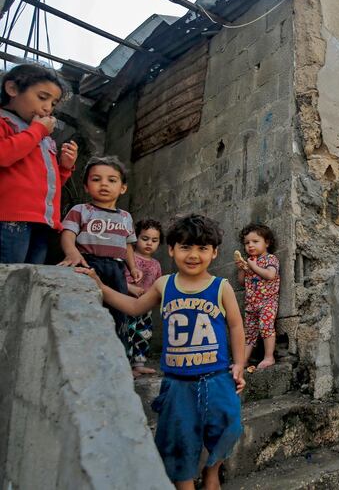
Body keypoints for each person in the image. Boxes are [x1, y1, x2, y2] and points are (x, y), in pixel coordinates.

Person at [78, 214, 246, 490]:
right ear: (171, 249)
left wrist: (239, 364)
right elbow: (133, 308)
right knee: (177, 441)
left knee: (228, 427)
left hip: (217, 379)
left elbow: (236, 326)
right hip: (178, 385)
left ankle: (212, 471)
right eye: (185, 247)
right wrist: (101, 287)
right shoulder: (164, 285)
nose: (193, 255)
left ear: (214, 252)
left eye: (202, 248)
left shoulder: (221, 287)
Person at [59, 156, 141, 350]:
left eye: (112, 180)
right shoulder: (80, 210)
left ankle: (117, 354)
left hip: (116, 268)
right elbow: (67, 234)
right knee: (85, 309)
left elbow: (128, 244)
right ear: (86, 187)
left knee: (118, 312)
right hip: (87, 265)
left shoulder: (126, 217)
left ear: (122, 188)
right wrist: (72, 253)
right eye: (96, 179)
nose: (104, 184)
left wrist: (133, 267)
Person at [0, 63, 78, 263]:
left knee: (29, 282)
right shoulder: (4, 122)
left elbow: (48, 185)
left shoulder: (44, 138)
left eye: (53, 104)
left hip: (41, 222)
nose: (47, 108)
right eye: (42, 98)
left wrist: (65, 168)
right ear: (12, 89)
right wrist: (37, 132)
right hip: (9, 218)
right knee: (8, 282)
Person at [236, 223, 280, 369]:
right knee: (249, 333)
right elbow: (242, 283)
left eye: (255, 241)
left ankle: (269, 357)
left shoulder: (270, 259)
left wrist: (253, 267)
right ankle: (243, 361)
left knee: (266, 327)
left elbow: (270, 275)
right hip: (251, 304)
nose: (250, 245)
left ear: (266, 243)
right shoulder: (249, 261)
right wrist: (243, 269)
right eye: (247, 243)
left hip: (267, 302)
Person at [124, 218, 164, 376]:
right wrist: (130, 288)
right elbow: (117, 279)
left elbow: (158, 284)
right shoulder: (128, 258)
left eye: (154, 240)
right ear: (135, 238)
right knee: (127, 333)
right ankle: (125, 365)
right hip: (127, 304)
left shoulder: (156, 264)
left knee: (143, 334)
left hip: (145, 308)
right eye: (145, 238)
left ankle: (139, 364)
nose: (149, 243)